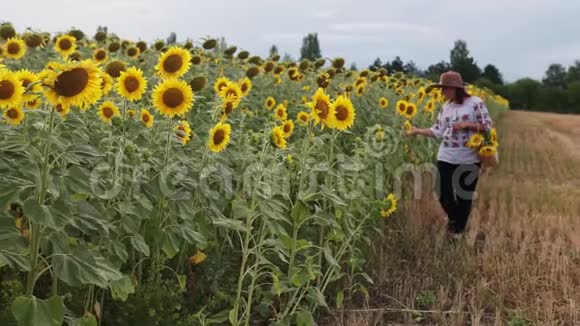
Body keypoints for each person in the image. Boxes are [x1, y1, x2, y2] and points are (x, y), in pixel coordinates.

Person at [406, 71, 493, 237]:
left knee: (464, 196)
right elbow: (437, 131)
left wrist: (468, 125)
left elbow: (487, 126)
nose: (442, 92)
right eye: (441, 89)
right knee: (442, 192)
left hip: (469, 157)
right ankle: (457, 222)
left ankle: (457, 231)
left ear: (455, 88)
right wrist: (417, 130)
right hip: (446, 156)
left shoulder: (475, 103)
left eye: (444, 89)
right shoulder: (446, 107)